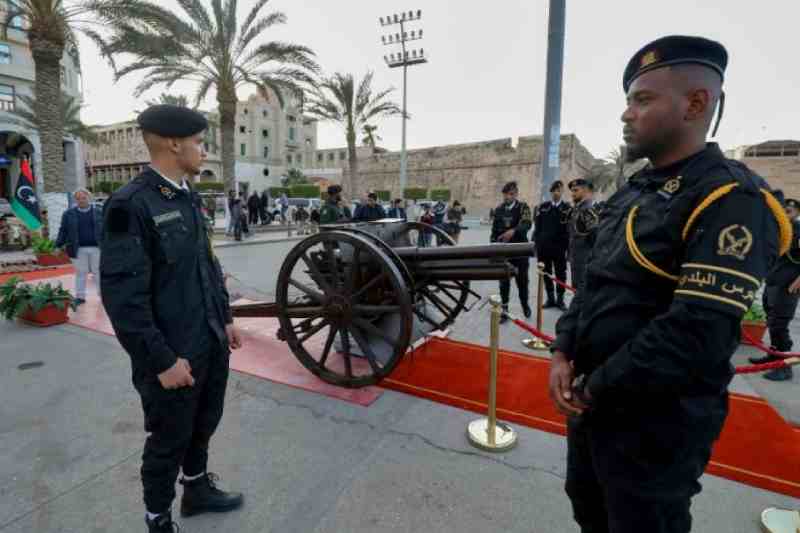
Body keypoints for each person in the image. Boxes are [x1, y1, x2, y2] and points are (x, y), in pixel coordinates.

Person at [549, 36, 787, 533]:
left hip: (656, 422)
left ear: (695, 104)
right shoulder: (635, 188)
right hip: (592, 403)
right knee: (589, 509)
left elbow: (696, 332)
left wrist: (595, 386)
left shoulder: (729, 197)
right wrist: (562, 350)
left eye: (642, 99)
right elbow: (595, 281)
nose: (626, 114)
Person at [99, 104, 245, 533]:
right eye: (199, 142)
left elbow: (208, 265)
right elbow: (123, 299)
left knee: (204, 422)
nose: (203, 150)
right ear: (173, 143)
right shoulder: (131, 205)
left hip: (209, 340)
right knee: (167, 440)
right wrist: (161, 361)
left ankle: (196, 490)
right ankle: (157, 519)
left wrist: (227, 318)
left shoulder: (187, 196)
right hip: (171, 353)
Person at [749, 196, 800, 381]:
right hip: (774, 281)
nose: (786, 213)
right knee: (771, 320)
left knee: (779, 324)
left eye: (789, 211)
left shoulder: (799, 230)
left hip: (789, 285)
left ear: (797, 213)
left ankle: (785, 368)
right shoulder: (780, 229)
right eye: (784, 210)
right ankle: (772, 357)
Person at [491, 181, 533, 321]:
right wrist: (493, 246)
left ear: (516, 194)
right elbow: (494, 231)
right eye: (506, 194)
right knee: (504, 282)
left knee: (522, 281)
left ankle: (525, 305)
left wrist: (513, 231)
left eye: (511, 194)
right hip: (504, 252)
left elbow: (527, 223)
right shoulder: (499, 210)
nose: (508, 197)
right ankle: (504, 309)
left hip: (520, 251)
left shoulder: (523, 207)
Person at [55, 188, 103, 305]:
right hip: (78, 249)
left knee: (98, 272)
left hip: (97, 248)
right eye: (78, 198)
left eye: (83, 197)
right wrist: (58, 245)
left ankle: (103, 295)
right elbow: (63, 230)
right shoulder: (68, 214)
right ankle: (80, 297)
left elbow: (108, 228)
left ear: (89, 198)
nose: (81, 200)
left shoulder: (99, 211)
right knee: (81, 273)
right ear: (75, 200)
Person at [534, 180, 571, 310]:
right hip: (544, 248)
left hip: (559, 249)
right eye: (554, 190)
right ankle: (550, 299)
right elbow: (537, 228)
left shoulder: (567, 209)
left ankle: (560, 300)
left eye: (559, 190)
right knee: (546, 273)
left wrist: (568, 249)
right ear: (551, 192)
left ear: (562, 192)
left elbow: (569, 230)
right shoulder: (543, 207)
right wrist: (537, 244)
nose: (556, 193)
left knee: (561, 274)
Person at [566, 178, 598, 292]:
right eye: (572, 191)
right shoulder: (577, 209)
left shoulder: (587, 210)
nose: (572, 194)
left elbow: (595, 235)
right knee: (577, 290)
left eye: (576, 190)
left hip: (585, 259)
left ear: (585, 191)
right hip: (576, 258)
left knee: (584, 292)